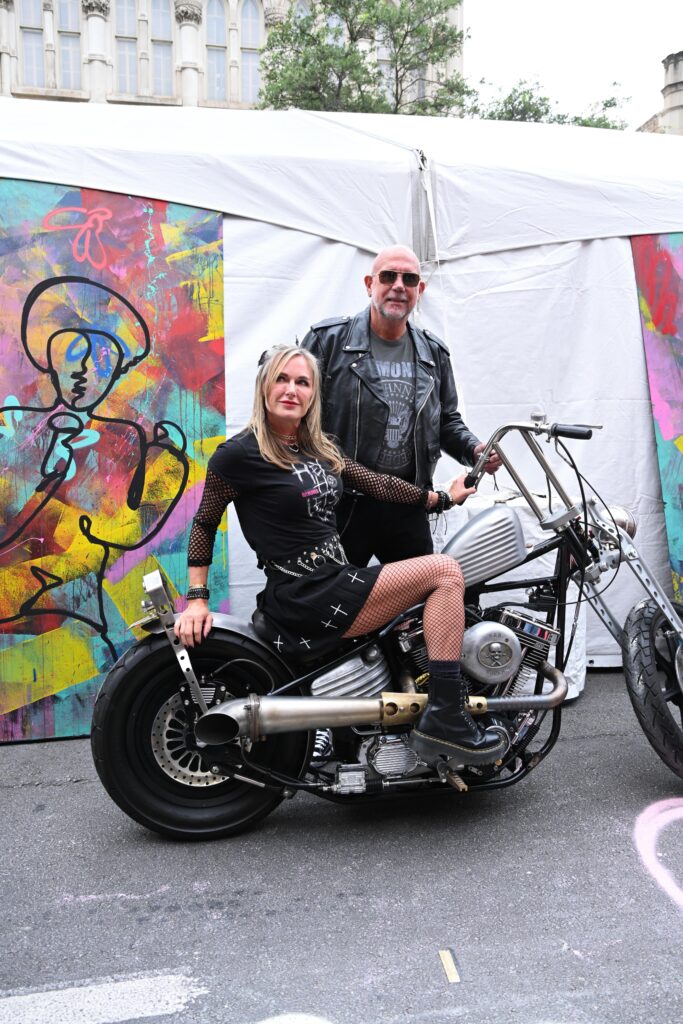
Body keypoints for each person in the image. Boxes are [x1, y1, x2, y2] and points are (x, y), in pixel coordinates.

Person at [175, 344, 505, 765]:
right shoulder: (238, 455)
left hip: (333, 580)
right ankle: (447, 718)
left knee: (413, 619)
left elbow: (375, 483)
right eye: (282, 378)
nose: (291, 389)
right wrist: (196, 599)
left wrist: (439, 498)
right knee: (445, 572)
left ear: (313, 394)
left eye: (302, 382)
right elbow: (204, 523)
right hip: (305, 593)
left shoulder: (314, 447)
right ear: (263, 386)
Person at [301, 244, 501, 566]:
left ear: (419, 290)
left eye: (409, 279)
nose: (398, 286)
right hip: (341, 503)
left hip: (408, 503)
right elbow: (298, 423)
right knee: (335, 606)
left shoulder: (433, 353)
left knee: (418, 605)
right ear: (370, 284)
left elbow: (446, 420)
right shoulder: (328, 341)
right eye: (388, 276)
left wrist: (474, 449)